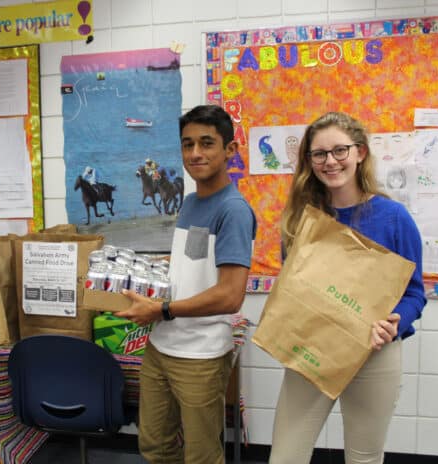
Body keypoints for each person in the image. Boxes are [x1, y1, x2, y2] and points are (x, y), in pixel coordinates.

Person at [270, 112, 426, 464]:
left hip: (375, 353)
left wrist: (396, 320)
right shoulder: (302, 219)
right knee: (285, 456)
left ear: (360, 153)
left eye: (340, 150)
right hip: (313, 347)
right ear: (309, 161)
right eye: (319, 154)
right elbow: (295, 288)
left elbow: (415, 293)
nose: (330, 162)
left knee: (364, 458)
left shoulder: (394, 218)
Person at [117, 105, 256, 463]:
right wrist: (152, 268)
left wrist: (161, 309)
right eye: (187, 144)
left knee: (201, 456)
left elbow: (231, 295)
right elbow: (195, 260)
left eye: (207, 143)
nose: (195, 154)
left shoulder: (234, 210)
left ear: (230, 150)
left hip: (200, 355)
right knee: (155, 446)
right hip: (162, 347)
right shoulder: (192, 201)